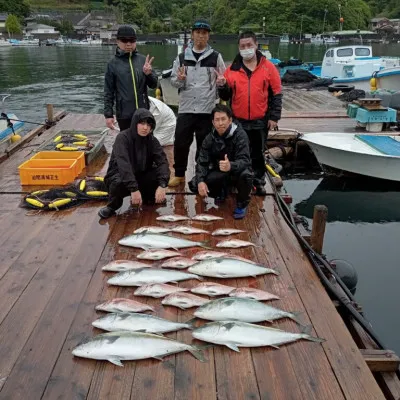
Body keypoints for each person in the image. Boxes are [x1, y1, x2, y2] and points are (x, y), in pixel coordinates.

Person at [219, 31, 282, 195]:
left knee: (258, 153)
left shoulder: (268, 67)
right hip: (238, 120)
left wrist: (274, 117)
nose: (246, 48)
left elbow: (276, 93)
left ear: (255, 45)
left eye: (249, 45)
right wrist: (222, 86)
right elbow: (225, 96)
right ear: (238, 47)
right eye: (242, 46)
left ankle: (258, 181)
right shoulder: (231, 69)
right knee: (236, 151)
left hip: (260, 119)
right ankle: (236, 180)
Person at [168, 19, 226, 187]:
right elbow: (174, 81)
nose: (201, 36)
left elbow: (222, 79)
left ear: (208, 36)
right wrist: (179, 80)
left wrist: (222, 83)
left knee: (204, 144)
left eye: (204, 33)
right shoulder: (181, 57)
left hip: (207, 109)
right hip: (186, 108)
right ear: (192, 35)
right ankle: (179, 174)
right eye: (198, 33)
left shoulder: (216, 57)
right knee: (180, 142)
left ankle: (200, 175)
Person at [98, 109, 170, 219]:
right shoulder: (122, 138)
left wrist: (162, 185)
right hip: (121, 175)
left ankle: (148, 197)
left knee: (157, 175)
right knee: (117, 182)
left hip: (141, 173)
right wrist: (134, 189)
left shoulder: (152, 140)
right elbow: (124, 165)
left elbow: (162, 162)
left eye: (148, 125)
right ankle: (112, 206)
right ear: (135, 123)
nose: (145, 128)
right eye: (142, 123)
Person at [194, 104, 253, 220]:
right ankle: (221, 191)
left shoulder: (240, 135)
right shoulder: (209, 138)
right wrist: (200, 181)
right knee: (194, 184)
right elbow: (202, 162)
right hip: (220, 171)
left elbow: (245, 161)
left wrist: (231, 165)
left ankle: (242, 204)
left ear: (230, 120)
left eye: (223, 119)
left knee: (246, 175)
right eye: (217, 120)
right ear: (213, 122)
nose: (220, 123)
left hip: (237, 171)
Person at [104, 25, 158, 132]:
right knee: (127, 144)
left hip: (143, 112)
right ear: (118, 42)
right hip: (124, 115)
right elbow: (108, 91)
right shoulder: (112, 64)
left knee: (145, 143)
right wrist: (108, 115)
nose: (128, 44)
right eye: (124, 40)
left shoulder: (143, 60)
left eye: (132, 40)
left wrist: (149, 74)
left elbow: (154, 85)